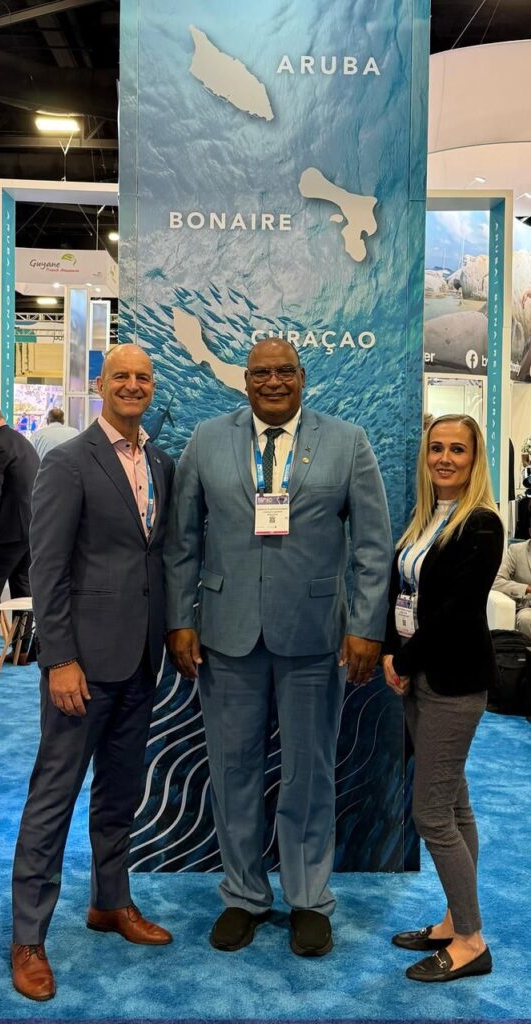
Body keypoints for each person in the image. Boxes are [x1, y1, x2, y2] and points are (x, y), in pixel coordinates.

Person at [164, 337, 392, 957]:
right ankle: (243, 895)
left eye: (284, 371)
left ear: (302, 376)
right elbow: (182, 541)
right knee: (232, 770)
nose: (273, 382)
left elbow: (374, 545)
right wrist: (179, 619)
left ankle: (309, 900)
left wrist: (367, 626)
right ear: (244, 380)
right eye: (261, 373)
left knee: (309, 774)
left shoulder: (348, 441)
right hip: (226, 634)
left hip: (315, 636)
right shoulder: (207, 439)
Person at [11, 344, 174, 1002]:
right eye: (121, 377)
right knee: (53, 798)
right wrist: (59, 659)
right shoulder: (70, 461)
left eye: (143, 377)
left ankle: (111, 901)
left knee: (119, 794)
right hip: (80, 666)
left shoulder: (160, 463)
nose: (133, 385)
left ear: (152, 387)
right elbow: (46, 568)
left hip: (140, 661)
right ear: (101, 385)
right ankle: (28, 937)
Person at [382, 413, 503, 983]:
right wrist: (392, 652)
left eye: (458, 449)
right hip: (419, 676)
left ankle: (472, 941)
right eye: (437, 448)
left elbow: (456, 610)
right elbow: (404, 592)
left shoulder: (482, 524)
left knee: (431, 814)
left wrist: (404, 661)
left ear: (474, 459)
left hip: (453, 682)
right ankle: (457, 920)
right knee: (454, 804)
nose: (445, 458)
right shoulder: (428, 517)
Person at [0, 400, 39, 671]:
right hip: (28, 530)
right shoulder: (22, 442)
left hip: (4, 533)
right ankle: (21, 651)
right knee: (23, 589)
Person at [492, 540, 531, 641]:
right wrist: (526, 588)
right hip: (527, 608)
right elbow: (496, 581)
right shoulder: (516, 550)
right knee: (526, 619)